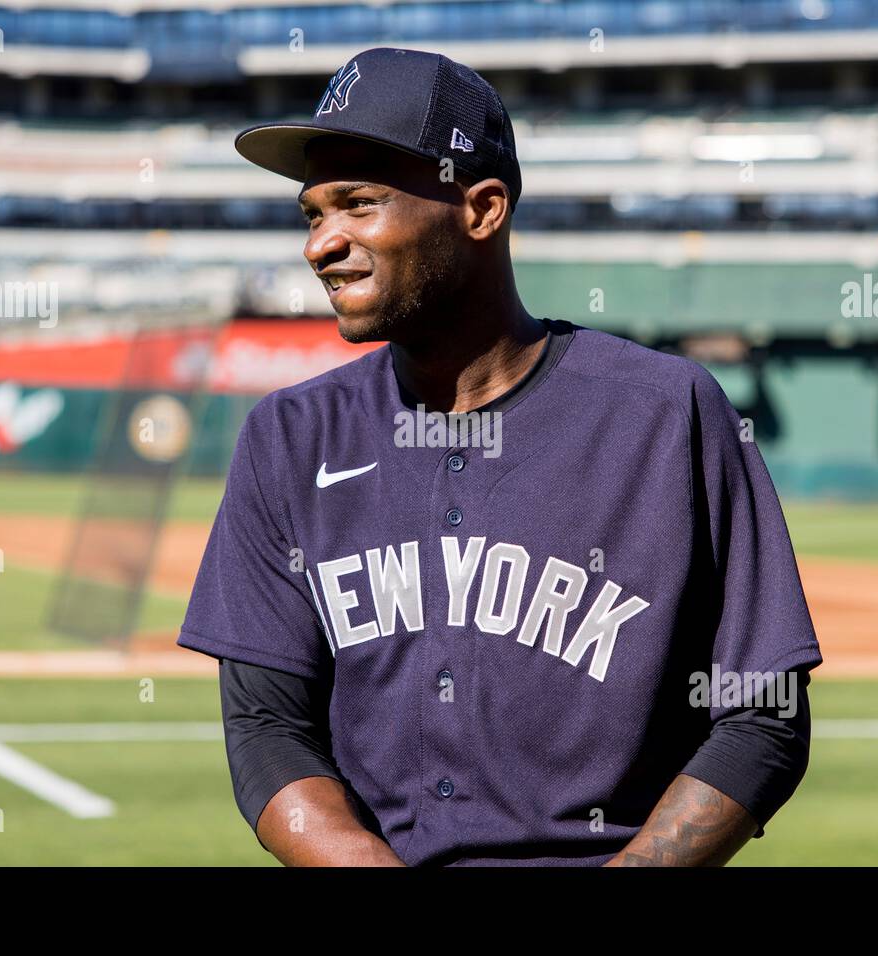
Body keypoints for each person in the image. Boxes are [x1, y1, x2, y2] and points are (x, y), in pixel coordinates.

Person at [178, 47, 822, 866]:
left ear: (481, 209)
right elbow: (268, 727)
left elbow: (763, 713)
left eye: (359, 205)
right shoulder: (289, 437)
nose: (322, 245)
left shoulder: (667, 413)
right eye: (312, 214)